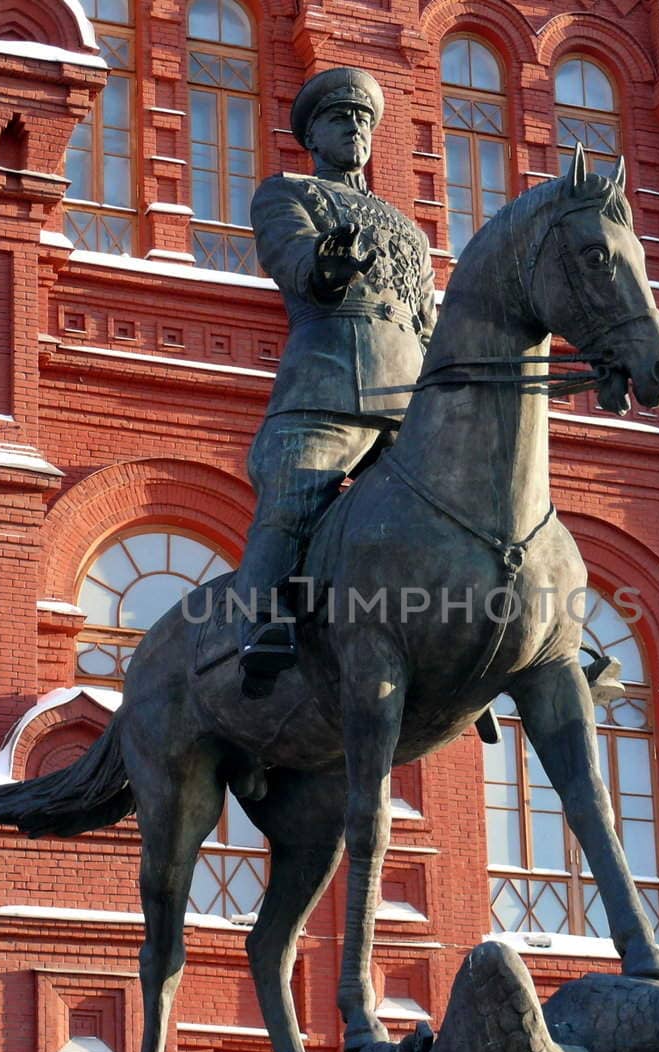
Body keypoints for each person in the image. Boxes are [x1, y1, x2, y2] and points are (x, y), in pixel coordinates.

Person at [237, 67, 437, 696]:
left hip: (407, 402)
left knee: (463, 513)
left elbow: (426, 325)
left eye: (363, 120)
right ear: (312, 138)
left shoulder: (408, 229)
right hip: (327, 386)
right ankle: (260, 623)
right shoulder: (286, 193)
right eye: (339, 118)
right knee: (292, 502)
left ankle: (475, 656)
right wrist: (327, 267)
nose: (354, 128)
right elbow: (293, 261)